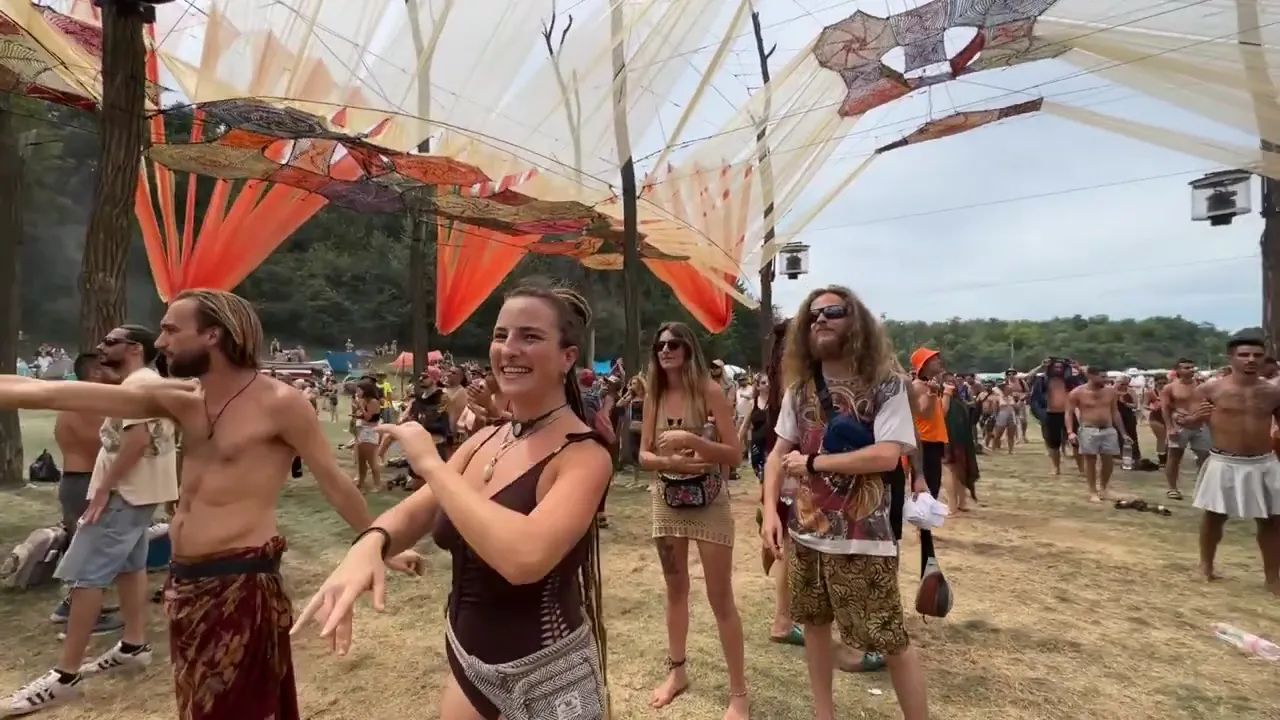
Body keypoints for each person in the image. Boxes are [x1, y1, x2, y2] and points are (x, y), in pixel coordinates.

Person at [0, 290, 419, 720]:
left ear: (213, 335)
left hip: (242, 587)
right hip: (186, 586)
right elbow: (47, 392)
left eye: (170, 329)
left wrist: (381, 543)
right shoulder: (181, 399)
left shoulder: (281, 404)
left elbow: (335, 484)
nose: (159, 343)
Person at [294, 286, 613, 719]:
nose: (509, 349)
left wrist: (430, 463)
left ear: (567, 357)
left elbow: (525, 558)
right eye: (501, 335)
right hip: (468, 665)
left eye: (530, 337)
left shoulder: (584, 455)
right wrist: (370, 542)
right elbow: (419, 508)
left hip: (548, 682)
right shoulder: (485, 438)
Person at [761, 286, 928, 720]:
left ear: (856, 321)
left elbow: (888, 455)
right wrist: (768, 515)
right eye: (812, 315)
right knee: (814, 628)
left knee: (889, 638)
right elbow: (778, 454)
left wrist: (815, 462)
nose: (821, 320)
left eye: (834, 311)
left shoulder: (887, 385)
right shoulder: (799, 390)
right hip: (807, 535)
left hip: (864, 540)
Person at [5, 327, 178, 716]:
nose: (101, 347)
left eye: (110, 341)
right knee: (131, 568)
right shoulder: (140, 383)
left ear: (135, 348)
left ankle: (64, 676)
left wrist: (102, 492)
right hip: (137, 495)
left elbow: (136, 442)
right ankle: (133, 645)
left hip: (122, 497)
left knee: (86, 578)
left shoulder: (140, 385)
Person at [642, 321, 749, 718]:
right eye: (659, 345)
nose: (665, 351)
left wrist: (691, 441)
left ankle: (739, 692)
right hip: (667, 500)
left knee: (720, 598)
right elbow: (643, 456)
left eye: (673, 344)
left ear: (688, 349)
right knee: (675, 590)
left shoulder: (709, 391)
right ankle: (677, 673)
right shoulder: (654, 393)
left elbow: (734, 454)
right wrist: (670, 461)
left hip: (710, 502)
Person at [1190, 334, 1280, 593]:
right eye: (1244, 354)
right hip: (1224, 460)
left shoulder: (1273, 391)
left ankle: (1272, 577)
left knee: (1272, 520)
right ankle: (1205, 566)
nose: (1251, 360)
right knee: (1215, 516)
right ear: (1231, 358)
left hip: (1263, 462)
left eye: (1256, 355)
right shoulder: (1210, 389)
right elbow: (1189, 422)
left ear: (1263, 358)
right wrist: (1190, 420)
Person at [48, 353, 121, 631]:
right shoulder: (88, 403)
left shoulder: (75, 400)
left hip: (75, 481)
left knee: (84, 547)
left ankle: (80, 604)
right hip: (84, 481)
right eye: (108, 367)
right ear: (95, 373)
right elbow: (104, 445)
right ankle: (78, 613)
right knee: (90, 551)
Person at [1065, 367, 1128, 502]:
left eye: (1106, 377)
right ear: (1091, 376)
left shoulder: (1110, 392)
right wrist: (1070, 432)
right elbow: (1069, 413)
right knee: (1090, 461)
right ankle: (1092, 491)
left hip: (1108, 429)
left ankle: (1104, 488)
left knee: (1108, 460)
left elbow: (1115, 412)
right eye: (1102, 377)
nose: (1106, 380)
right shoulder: (1077, 393)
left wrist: (1123, 433)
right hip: (1088, 429)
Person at [1162, 358, 1212, 500]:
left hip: (1200, 424)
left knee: (1205, 457)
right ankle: (1172, 488)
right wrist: (1170, 428)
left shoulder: (1202, 385)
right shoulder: (1170, 388)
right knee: (1175, 457)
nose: (1190, 370)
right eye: (1186, 367)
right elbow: (1165, 409)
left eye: (1191, 367)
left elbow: (1209, 404)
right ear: (1177, 370)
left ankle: (1203, 488)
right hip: (1180, 425)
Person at [1030, 358, 1085, 475]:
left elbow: (1085, 382)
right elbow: (1028, 380)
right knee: (1053, 443)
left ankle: (1081, 468)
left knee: (1076, 442)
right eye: (1056, 367)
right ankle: (1056, 467)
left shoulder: (1071, 380)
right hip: (1051, 414)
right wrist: (1041, 366)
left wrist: (1078, 368)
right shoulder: (1043, 380)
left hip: (1068, 414)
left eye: (1060, 367)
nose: (1058, 369)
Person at [352, 380, 384, 492]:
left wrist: (360, 406)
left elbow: (369, 418)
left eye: (359, 390)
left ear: (365, 391)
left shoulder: (373, 402)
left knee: (371, 461)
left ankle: (377, 484)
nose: (357, 392)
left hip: (370, 432)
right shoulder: (363, 401)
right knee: (361, 460)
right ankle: (361, 481)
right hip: (362, 431)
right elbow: (361, 416)